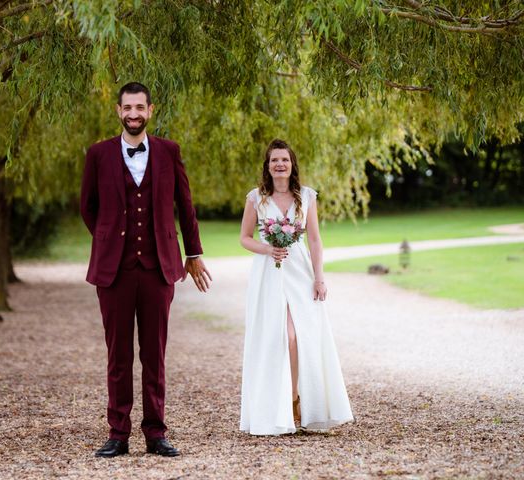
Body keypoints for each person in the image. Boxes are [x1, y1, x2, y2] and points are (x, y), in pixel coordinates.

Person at [80, 82, 212, 457]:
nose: (133, 114)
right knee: (118, 356)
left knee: (154, 355)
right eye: (127, 107)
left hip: (158, 271)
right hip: (114, 274)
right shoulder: (98, 154)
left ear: (151, 110)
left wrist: (193, 253)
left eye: (140, 107)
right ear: (118, 110)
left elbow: (185, 208)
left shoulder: (169, 152)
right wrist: (108, 240)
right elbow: (88, 206)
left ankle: (156, 433)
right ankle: (117, 434)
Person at [239, 139, 353, 435]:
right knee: (281, 336)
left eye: (285, 160)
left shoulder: (306, 196)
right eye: (274, 160)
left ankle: (305, 401)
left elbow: (314, 239)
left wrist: (320, 277)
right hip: (269, 273)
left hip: (300, 271)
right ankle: (286, 402)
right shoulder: (256, 198)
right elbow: (245, 238)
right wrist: (268, 249)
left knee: (302, 335)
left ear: (292, 165)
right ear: (267, 166)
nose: (280, 164)